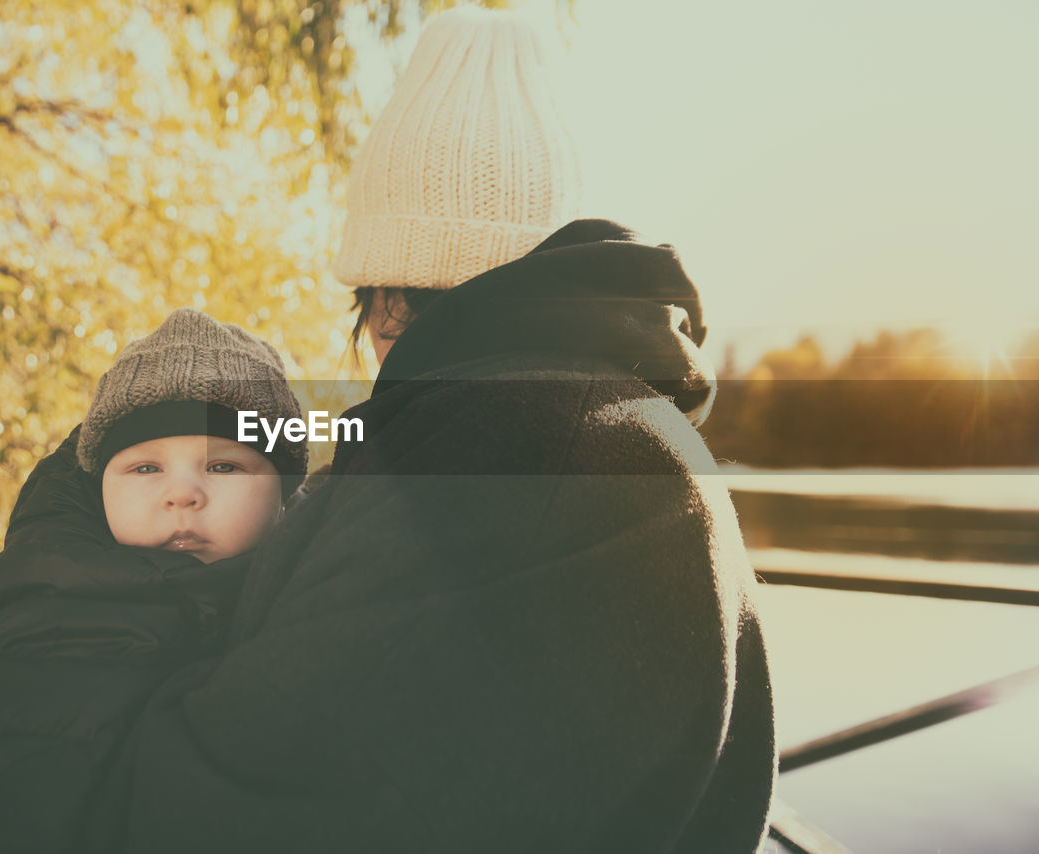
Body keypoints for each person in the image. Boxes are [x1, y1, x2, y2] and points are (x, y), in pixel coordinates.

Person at [73, 8, 776, 853]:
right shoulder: (617, 426)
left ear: (396, 301)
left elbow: (218, 808)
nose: (374, 327)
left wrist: (65, 533)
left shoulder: (512, 451)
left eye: (381, 294)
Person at [0, 309, 307, 853]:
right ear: (100, 488)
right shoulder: (43, 599)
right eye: (146, 468)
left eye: (224, 467)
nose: (182, 493)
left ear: (284, 496)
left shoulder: (315, 603)